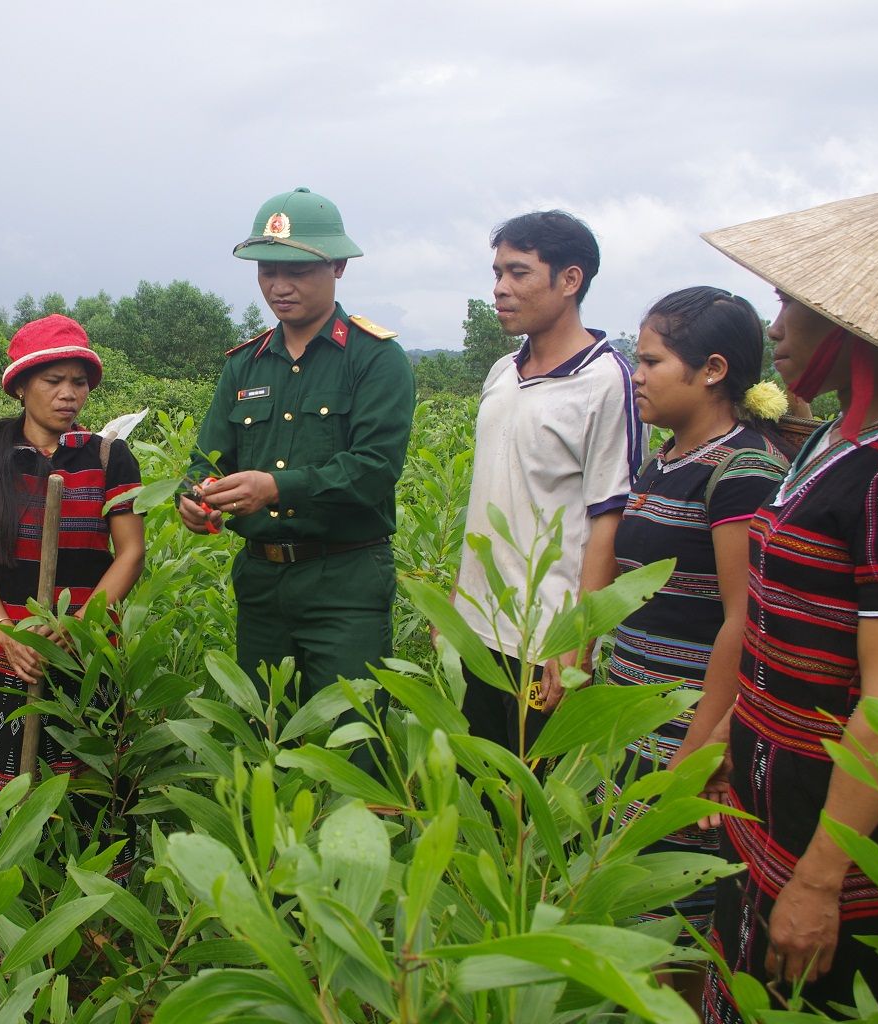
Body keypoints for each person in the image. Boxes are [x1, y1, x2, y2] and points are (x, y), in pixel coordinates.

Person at [698, 188, 878, 1020]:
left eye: (789, 305)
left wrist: (820, 880)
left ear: (850, 325)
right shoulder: (829, 438)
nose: (773, 328)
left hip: (841, 836)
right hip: (777, 797)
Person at [177, 187, 415, 737]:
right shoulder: (245, 365)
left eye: (297, 271)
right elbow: (203, 461)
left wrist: (277, 488)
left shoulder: (375, 358)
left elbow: (375, 467)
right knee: (261, 739)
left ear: (337, 266)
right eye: (267, 270)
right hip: (262, 583)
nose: (278, 286)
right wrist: (196, 500)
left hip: (346, 583)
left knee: (354, 743)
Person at [606, 287, 790, 983]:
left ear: (712, 370)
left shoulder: (742, 470)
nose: (639, 374)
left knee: (673, 930)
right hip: (633, 727)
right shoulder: (667, 458)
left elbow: (746, 618)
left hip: (686, 735)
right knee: (627, 908)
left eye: (652, 361)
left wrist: (696, 754)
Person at [0, 315, 145, 880]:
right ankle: (3, 897)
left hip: (87, 651)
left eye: (79, 382)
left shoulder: (109, 458)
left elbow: (129, 552)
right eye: (52, 381)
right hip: (10, 648)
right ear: (19, 386)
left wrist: (78, 625)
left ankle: (98, 910)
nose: (68, 394)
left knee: (90, 781)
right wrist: (7, 634)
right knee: (7, 782)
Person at [453, 210, 644, 758]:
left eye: (518, 273)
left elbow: (609, 516)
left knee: (531, 804)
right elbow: (491, 497)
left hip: (544, 640)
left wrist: (577, 638)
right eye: (496, 274)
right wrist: (458, 604)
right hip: (479, 628)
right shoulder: (501, 372)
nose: (499, 290)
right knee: (479, 793)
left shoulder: (606, 382)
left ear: (569, 280)